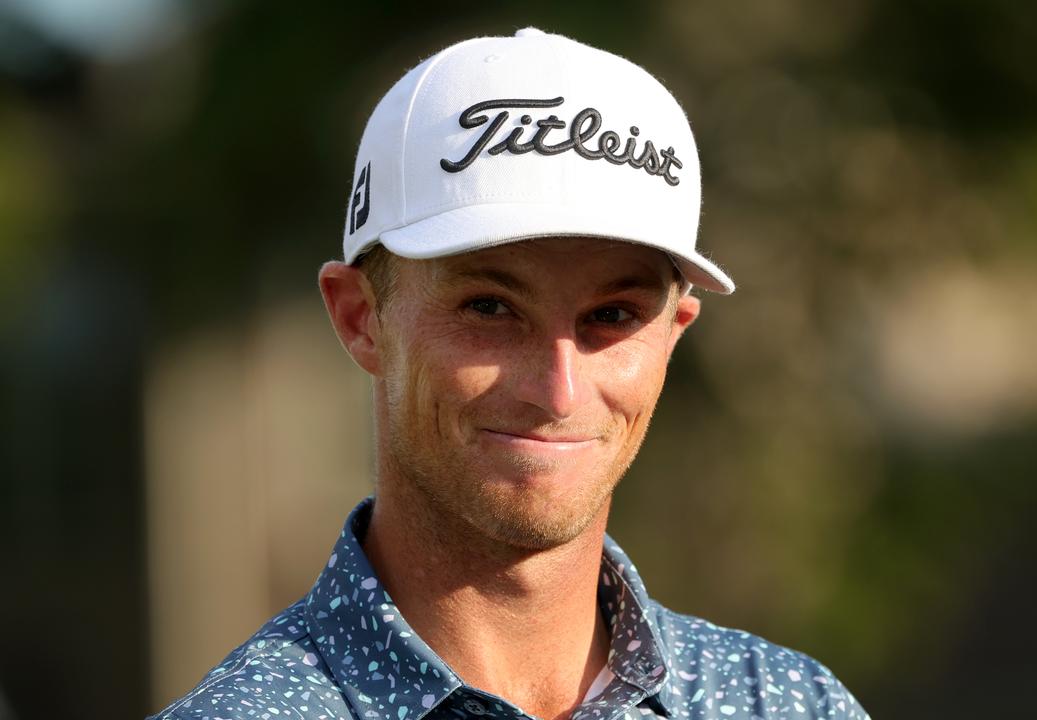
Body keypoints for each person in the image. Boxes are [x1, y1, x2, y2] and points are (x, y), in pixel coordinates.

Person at [148, 27, 870, 720]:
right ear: (359, 318)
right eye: (490, 307)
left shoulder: (788, 705)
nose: (558, 390)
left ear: (672, 334)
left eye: (613, 316)